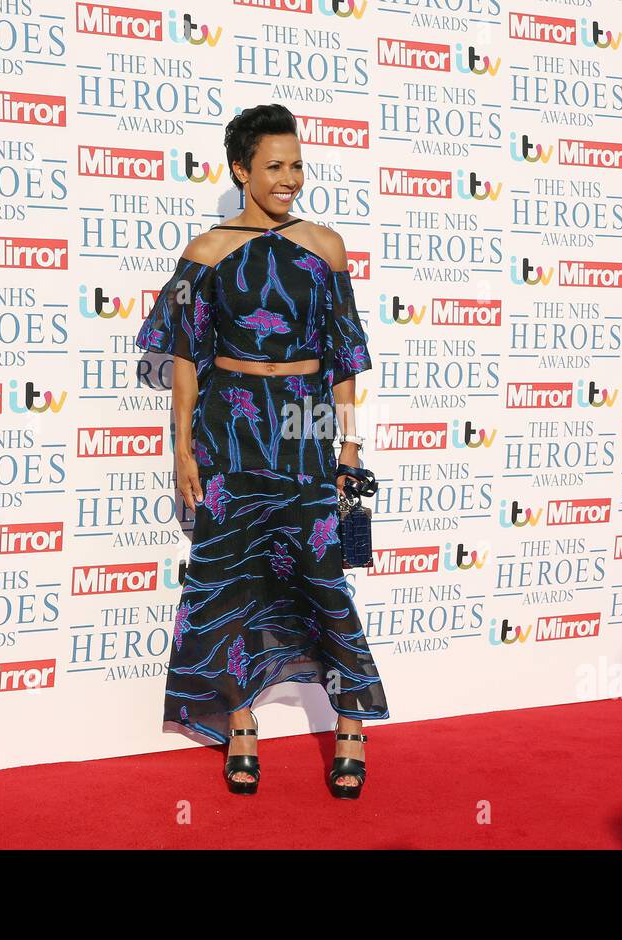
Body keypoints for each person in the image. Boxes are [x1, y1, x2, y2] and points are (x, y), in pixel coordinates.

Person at [134, 103, 389, 799]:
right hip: (228, 433)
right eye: (274, 166)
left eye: (297, 165)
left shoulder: (325, 247)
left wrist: (350, 443)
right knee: (229, 582)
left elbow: (342, 354)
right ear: (241, 168)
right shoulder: (207, 252)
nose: (289, 179)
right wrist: (182, 449)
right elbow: (186, 357)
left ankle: (350, 726)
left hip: (305, 430)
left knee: (321, 578)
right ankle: (240, 724)